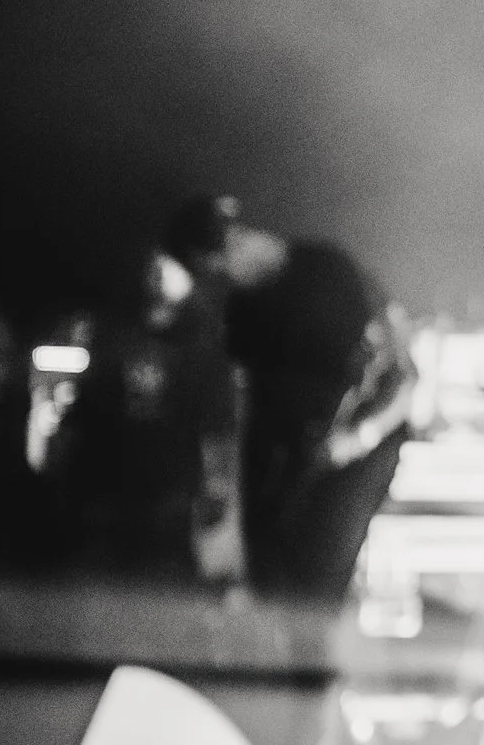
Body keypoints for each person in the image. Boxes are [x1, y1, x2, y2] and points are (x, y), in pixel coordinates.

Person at [162, 198, 414, 611]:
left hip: (356, 454)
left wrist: (355, 438)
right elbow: (245, 411)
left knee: (315, 584)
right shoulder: (240, 315)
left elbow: (404, 376)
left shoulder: (330, 268)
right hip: (293, 462)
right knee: (271, 576)